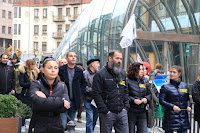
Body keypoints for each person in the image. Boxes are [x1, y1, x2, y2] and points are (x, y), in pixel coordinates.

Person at [28, 58, 70, 133]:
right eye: (49, 68)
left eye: (55, 68)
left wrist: (45, 99)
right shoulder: (36, 84)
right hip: (38, 125)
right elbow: (38, 103)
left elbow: (65, 108)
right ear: (43, 70)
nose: (53, 70)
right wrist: (61, 101)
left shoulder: (62, 86)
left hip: (56, 125)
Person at [92, 50, 129, 133]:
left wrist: (126, 107)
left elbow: (125, 91)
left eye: (121, 59)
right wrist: (105, 110)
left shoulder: (122, 73)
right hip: (107, 113)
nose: (119, 61)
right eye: (117, 58)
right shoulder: (100, 74)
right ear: (110, 58)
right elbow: (96, 93)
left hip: (121, 112)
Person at [59, 51, 87, 130]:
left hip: (74, 101)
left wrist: (79, 92)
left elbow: (84, 83)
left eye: (74, 56)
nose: (73, 57)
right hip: (63, 100)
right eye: (71, 56)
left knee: (70, 124)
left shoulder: (79, 70)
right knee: (63, 124)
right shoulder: (61, 69)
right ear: (67, 58)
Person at [159, 65, 191, 133]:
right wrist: (172, 106)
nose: (171, 74)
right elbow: (161, 101)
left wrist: (188, 106)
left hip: (182, 117)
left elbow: (187, 99)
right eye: (170, 72)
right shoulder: (165, 86)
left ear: (179, 74)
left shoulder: (184, 85)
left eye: (174, 72)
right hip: (170, 118)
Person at [126, 62, 151, 133]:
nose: (142, 71)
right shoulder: (127, 81)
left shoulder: (145, 81)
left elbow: (149, 94)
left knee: (143, 131)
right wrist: (133, 100)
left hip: (142, 111)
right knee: (131, 130)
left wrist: (146, 99)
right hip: (131, 111)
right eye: (140, 69)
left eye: (143, 69)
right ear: (135, 70)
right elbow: (124, 96)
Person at [83, 58, 100, 133]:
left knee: (94, 119)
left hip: (97, 101)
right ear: (92, 64)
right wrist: (94, 91)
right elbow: (84, 87)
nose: (99, 65)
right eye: (97, 63)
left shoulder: (99, 74)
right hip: (88, 99)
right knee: (89, 119)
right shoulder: (85, 74)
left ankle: (90, 131)